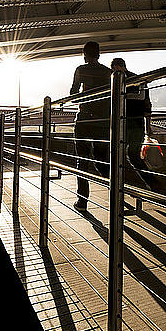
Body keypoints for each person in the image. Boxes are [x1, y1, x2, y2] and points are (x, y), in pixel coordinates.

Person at [70, 42, 112, 211]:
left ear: (85, 55)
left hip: (85, 119)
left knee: (83, 160)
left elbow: (73, 95)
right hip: (102, 122)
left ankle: (82, 201)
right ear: (99, 55)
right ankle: (116, 192)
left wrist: (84, 97)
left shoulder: (81, 69)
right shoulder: (108, 73)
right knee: (103, 160)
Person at [110, 58, 154, 189]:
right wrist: (148, 126)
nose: (113, 72)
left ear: (117, 67)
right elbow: (147, 105)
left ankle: (124, 184)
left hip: (124, 123)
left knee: (119, 154)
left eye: (114, 69)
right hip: (138, 122)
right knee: (133, 155)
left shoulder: (119, 81)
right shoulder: (139, 79)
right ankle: (150, 182)